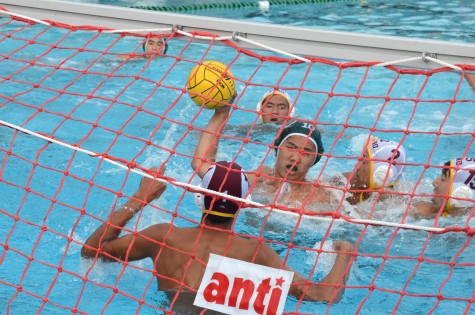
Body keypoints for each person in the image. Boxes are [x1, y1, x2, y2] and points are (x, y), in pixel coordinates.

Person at [81, 163, 354, 313]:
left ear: (198, 197)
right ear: (243, 204)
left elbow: (91, 250)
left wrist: (141, 198)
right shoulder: (255, 252)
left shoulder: (163, 237)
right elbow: (324, 295)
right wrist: (345, 252)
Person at [192, 105, 335, 209]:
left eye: (306, 152)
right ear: (277, 148)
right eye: (291, 147)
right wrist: (222, 112)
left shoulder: (321, 197)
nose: (295, 158)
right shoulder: (257, 180)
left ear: (315, 160)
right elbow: (201, 164)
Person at [333, 137, 407, 205]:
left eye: (364, 162)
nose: (357, 166)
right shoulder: (345, 182)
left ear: (381, 173)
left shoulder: (395, 205)